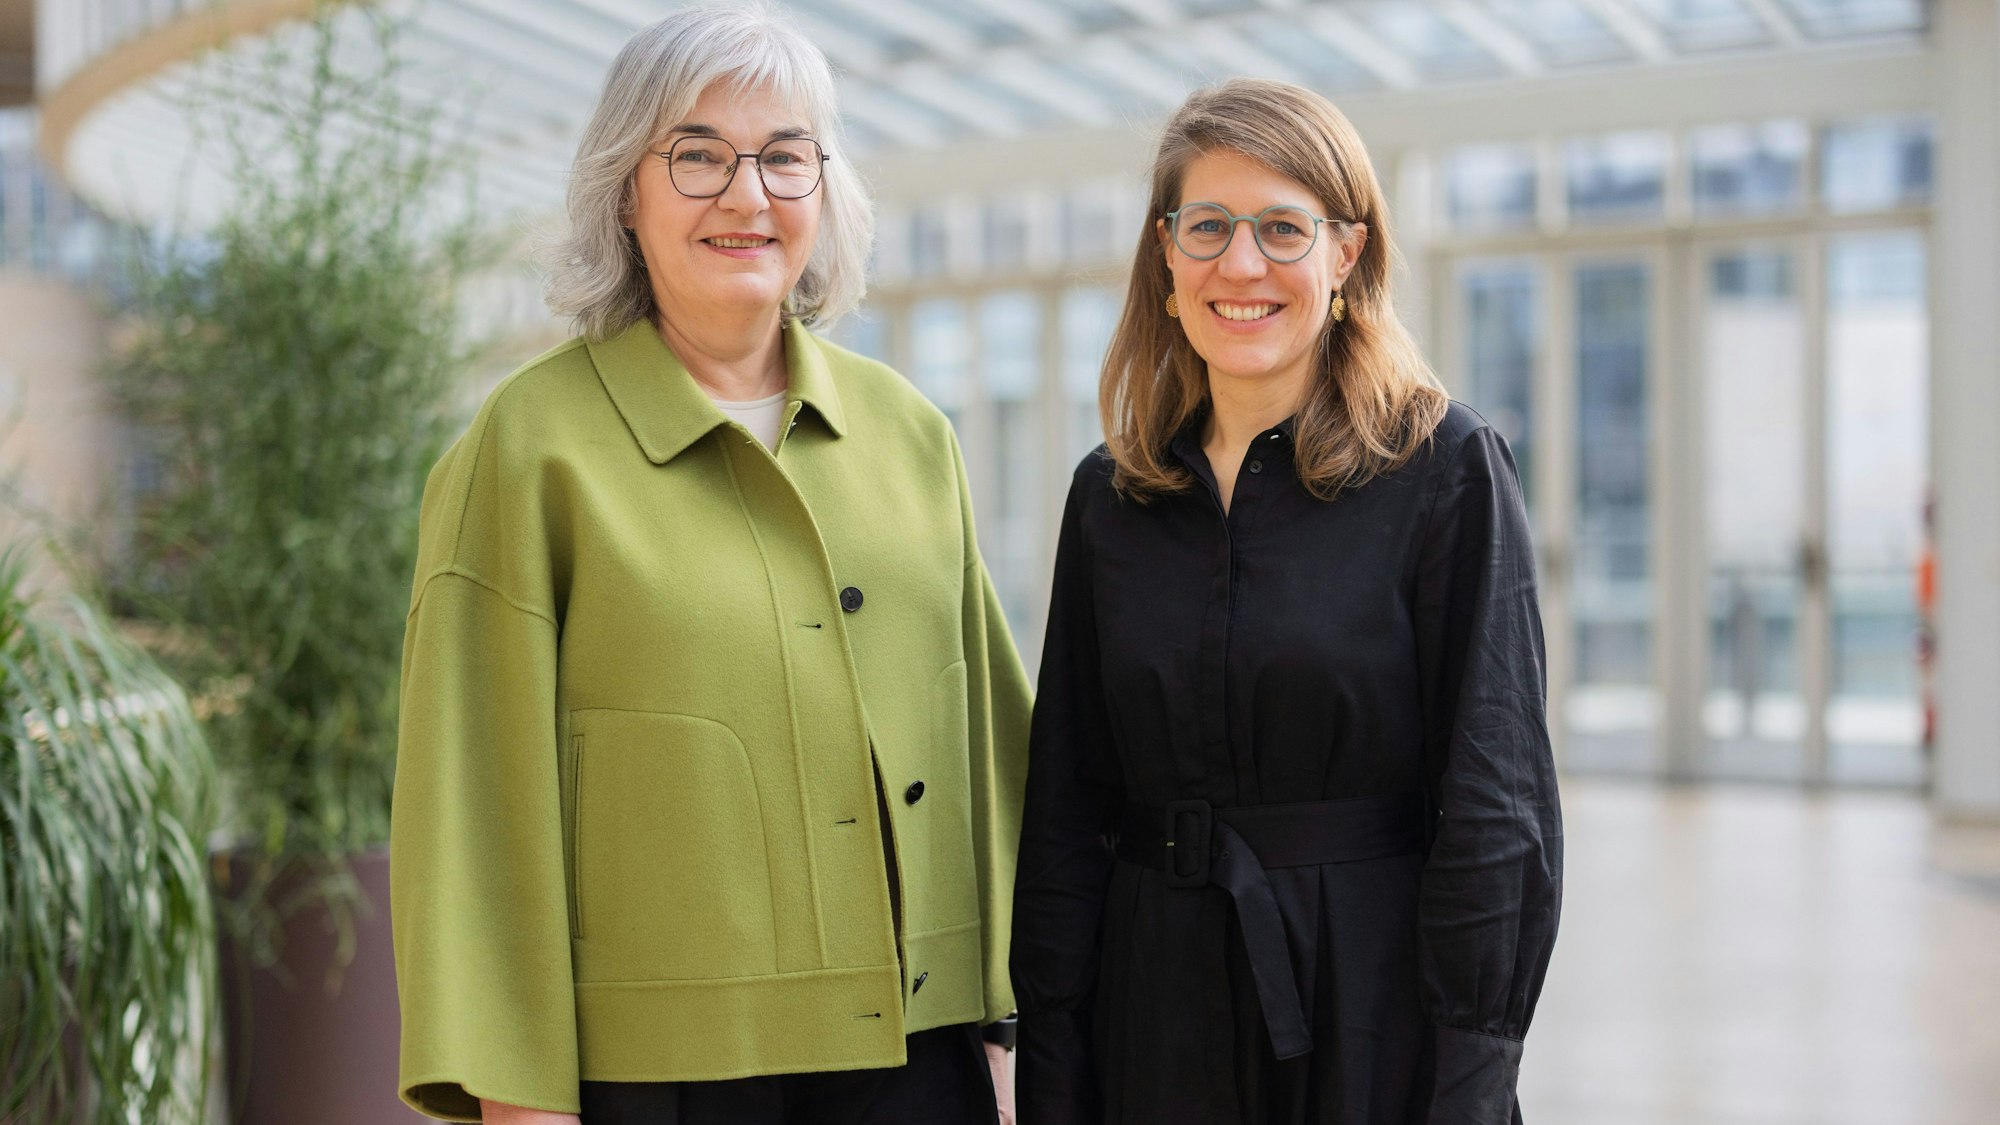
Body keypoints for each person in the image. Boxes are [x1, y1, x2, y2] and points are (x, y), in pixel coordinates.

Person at [389, 9, 1029, 1124]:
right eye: (697, 155)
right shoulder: (525, 449)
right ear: (621, 193)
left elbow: (994, 758)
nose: (747, 196)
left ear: (824, 191)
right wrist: (516, 1100)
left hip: (922, 1065)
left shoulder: (909, 434)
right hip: (657, 1077)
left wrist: (1020, 1031)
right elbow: (473, 814)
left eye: (785, 156)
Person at [1011, 78, 1562, 1125]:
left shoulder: (1444, 469)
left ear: (1344, 256)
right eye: (1207, 227)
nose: (1241, 264)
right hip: (1148, 1008)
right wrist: (1051, 1058)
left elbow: (1497, 805)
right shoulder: (1111, 495)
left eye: (1281, 228)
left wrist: (1470, 1076)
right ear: (1165, 258)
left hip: (1367, 1007)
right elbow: (1065, 807)